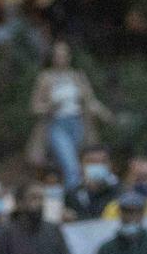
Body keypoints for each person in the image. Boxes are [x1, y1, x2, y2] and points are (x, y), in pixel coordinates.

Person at [31, 41, 110, 193]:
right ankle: (73, 197)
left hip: (78, 124)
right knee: (70, 165)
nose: (61, 58)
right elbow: (35, 107)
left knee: (82, 163)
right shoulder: (45, 78)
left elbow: (90, 100)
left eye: (64, 55)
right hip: (57, 125)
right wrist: (50, 106)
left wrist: (105, 114)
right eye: (58, 55)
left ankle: (83, 195)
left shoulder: (77, 76)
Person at [68, 147, 122, 220]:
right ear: (80, 166)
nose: (97, 165)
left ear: (110, 165)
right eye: (91, 162)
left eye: (103, 161)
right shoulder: (72, 195)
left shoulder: (121, 192)